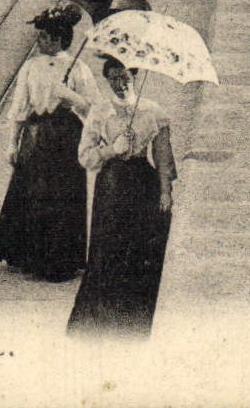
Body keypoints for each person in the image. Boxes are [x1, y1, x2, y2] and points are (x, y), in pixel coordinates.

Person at [67, 58, 176, 338]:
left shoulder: (153, 111)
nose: (120, 82)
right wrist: (111, 150)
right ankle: (105, 316)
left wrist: (165, 191)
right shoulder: (99, 113)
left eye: (124, 75)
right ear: (106, 80)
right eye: (113, 77)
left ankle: (135, 317)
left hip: (143, 186)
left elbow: (163, 157)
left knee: (140, 247)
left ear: (134, 75)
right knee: (109, 247)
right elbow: (85, 156)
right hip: (112, 188)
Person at [0, 4, 98, 282]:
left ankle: (61, 258)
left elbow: (94, 108)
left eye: (45, 38)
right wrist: (12, 143)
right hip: (37, 135)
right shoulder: (30, 67)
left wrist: (71, 98)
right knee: (34, 193)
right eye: (40, 37)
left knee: (63, 195)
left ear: (59, 39)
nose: (40, 42)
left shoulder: (78, 68)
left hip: (66, 137)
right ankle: (32, 257)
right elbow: (20, 106)